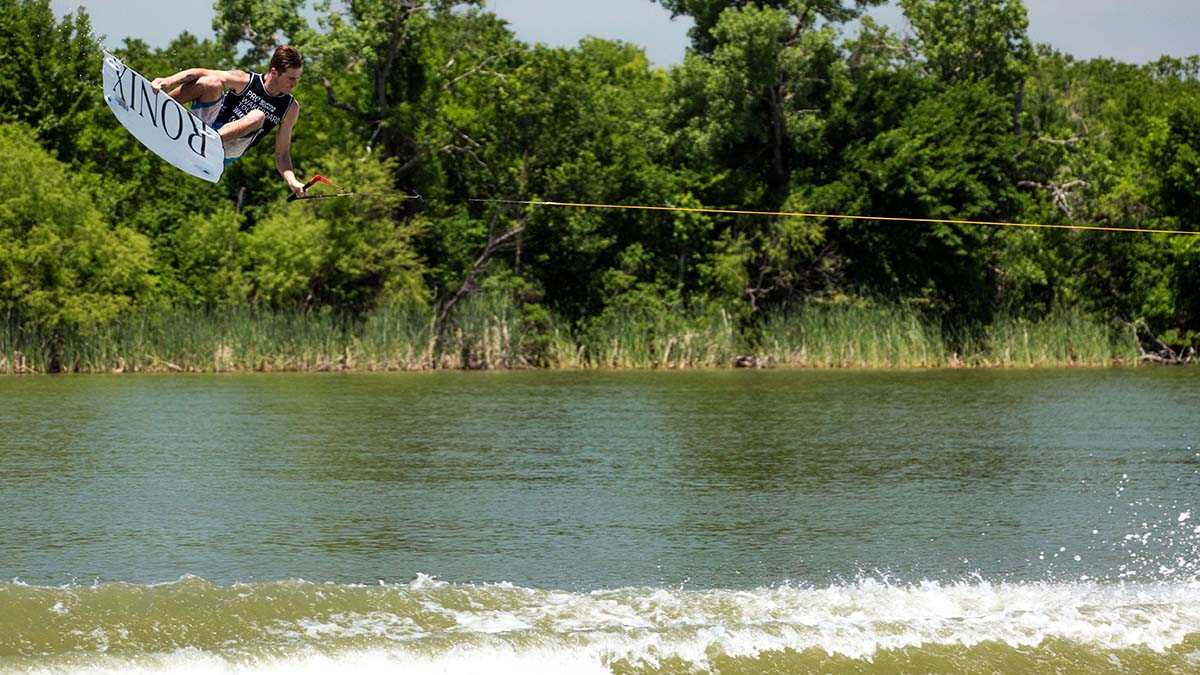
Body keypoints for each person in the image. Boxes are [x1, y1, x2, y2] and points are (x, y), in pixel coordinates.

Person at [151, 45, 307, 197]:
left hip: (224, 150)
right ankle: (158, 105)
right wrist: (167, 81)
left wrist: (292, 181)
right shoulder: (245, 80)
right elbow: (201, 72)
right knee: (210, 82)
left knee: (258, 116)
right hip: (206, 126)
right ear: (274, 72)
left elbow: (282, 154)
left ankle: (206, 140)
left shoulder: (290, 107)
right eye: (291, 78)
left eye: (297, 78)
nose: (295, 84)